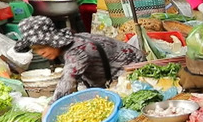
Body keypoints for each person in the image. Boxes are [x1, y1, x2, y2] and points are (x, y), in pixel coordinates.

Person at [14, 16, 144, 100]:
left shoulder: (77, 52)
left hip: (133, 70)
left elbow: (67, 83)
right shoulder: (73, 42)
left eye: (42, 47)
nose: (40, 53)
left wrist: (49, 109)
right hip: (110, 74)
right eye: (35, 49)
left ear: (53, 41)